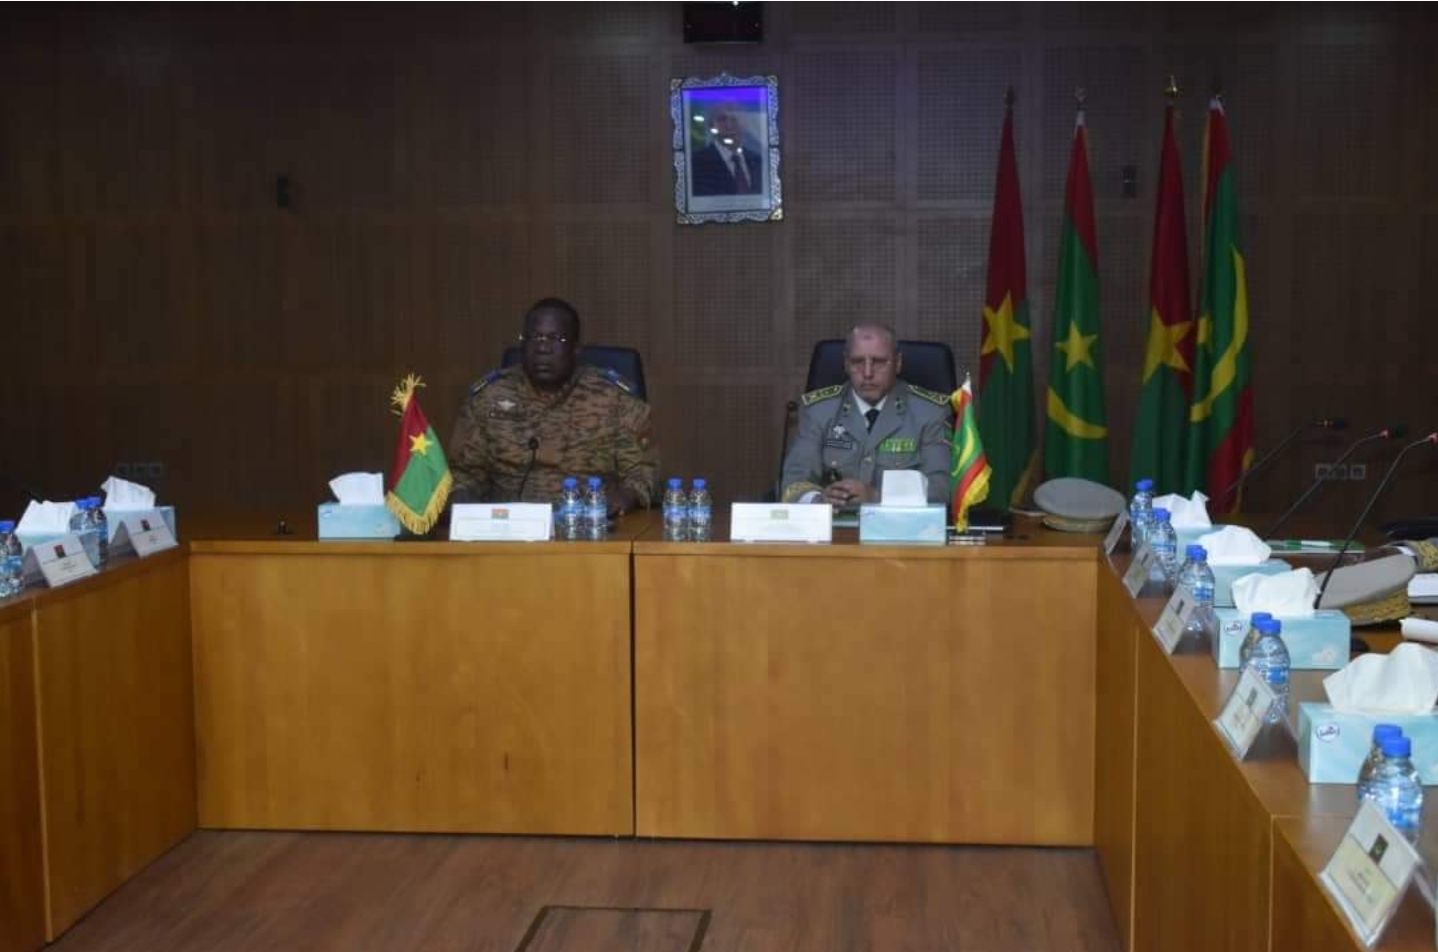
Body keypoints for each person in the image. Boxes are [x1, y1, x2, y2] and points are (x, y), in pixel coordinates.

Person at [449, 298, 657, 513]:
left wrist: (626, 496)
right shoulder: (489, 396)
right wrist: (462, 495)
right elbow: (464, 473)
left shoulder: (614, 399)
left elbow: (642, 472)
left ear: (576, 348)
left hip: (588, 524)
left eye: (556, 338)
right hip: (506, 526)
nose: (542, 348)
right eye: (533, 337)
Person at [780, 324, 952, 506]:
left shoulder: (930, 413)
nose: (868, 373)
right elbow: (793, 482)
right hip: (834, 522)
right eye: (857, 362)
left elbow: (942, 489)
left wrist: (878, 497)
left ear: (898, 363)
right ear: (846, 364)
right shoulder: (818, 411)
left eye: (879, 362)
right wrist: (818, 501)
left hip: (900, 523)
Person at [691, 100, 764, 196]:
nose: (729, 126)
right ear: (711, 126)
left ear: (744, 124)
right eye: (722, 120)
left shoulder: (757, 160)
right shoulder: (696, 162)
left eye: (734, 119)